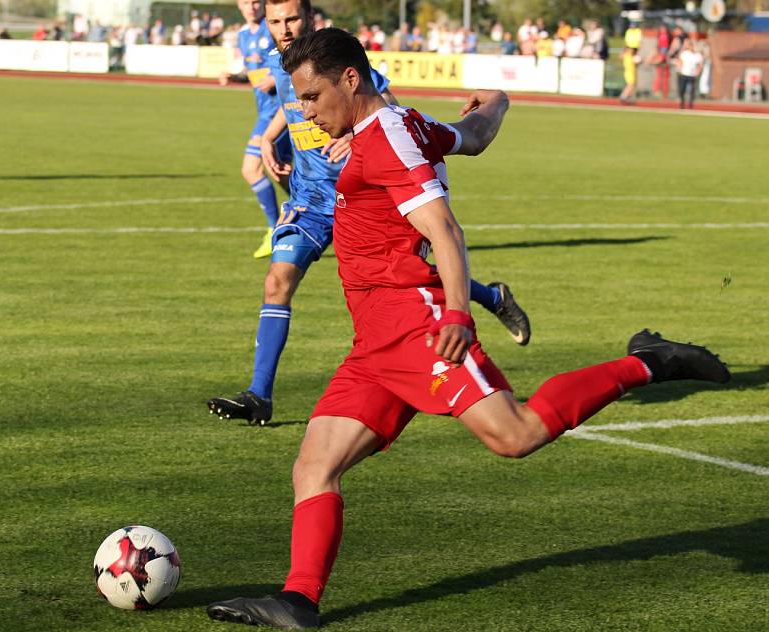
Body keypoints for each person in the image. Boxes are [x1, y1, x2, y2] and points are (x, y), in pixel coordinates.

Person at [205, 28, 730, 629]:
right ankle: (298, 601)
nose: (305, 112)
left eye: (313, 97)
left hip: (415, 325)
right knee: (313, 465)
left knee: (515, 434)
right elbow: (473, 136)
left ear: (352, 80)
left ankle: (652, 361)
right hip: (374, 341)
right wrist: (497, 99)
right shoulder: (400, 126)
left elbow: (445, 231)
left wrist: (457, 312)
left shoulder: (388, 142)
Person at [207, 1, 531, 427]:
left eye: (291, 19)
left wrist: (356, 138)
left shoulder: (333, 62)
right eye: (275, 22)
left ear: (308, 16)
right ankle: (258, 395)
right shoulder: (286, 65)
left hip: (358, 195)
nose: (284, 29)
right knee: (277, 279)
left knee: (404, 273)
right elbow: (291, 111)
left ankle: (490, 297)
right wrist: (269, 138)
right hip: (309, 199)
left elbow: (384, 107)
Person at [232, 0, 293, 258]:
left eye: (256, 2)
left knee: (252, 168)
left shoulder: (274, 28)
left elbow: (290, 59)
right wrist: (236, 76)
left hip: (278, 111)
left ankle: (273, 229)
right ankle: (324, 209)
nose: (251, 7)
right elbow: (254, 70)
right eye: (246, 2)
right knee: (281, 171)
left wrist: (277, 75)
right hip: (264, 111)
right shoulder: (243, 35)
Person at [676, 38, 703, 109]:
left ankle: (690, 105)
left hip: (692, 75)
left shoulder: (697, 55)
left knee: (692, 91)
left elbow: (700, 65)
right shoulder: (684, 54)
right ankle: (682, 103)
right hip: (684, 74)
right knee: (682, 90)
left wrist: (698, 72)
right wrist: (679, 69)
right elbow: (680, 61)